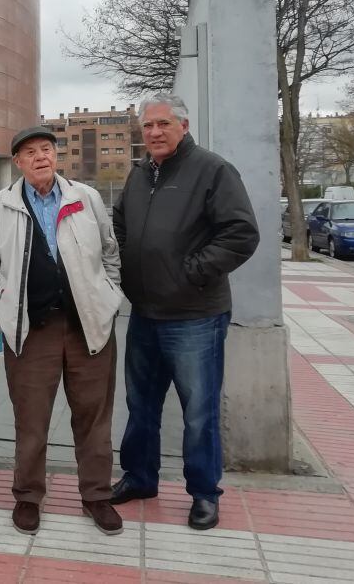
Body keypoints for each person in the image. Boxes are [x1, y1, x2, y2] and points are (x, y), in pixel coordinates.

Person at [110, 93, 259, 532]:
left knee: (198, 410)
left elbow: (241, 233)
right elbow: (119, 225)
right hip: (144, 313)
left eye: (163, 125)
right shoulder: (139, 174)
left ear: (184, 125)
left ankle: (204, 493)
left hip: (195, 314)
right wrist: (127, 264)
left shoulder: (212, 170)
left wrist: (191, 271)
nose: (154, 133)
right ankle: (140, 477)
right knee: (140, 405)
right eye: (148, 126)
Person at [0, 126, 125, 537]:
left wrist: (108, 298)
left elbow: (110, 252)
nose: (41, 156)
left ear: (56, 156)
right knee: (31, 419)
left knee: (94, 418)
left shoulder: (86, 197)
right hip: (30, 331)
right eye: (31, 152)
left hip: (88, 327)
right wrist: (2, 311)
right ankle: (28, 496)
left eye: (47, 149)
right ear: (18, 163)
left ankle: (97, 495)